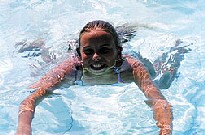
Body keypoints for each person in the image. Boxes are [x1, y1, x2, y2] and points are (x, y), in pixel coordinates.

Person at [16, 20, 173, 135]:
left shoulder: (131, 69)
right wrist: (24, 129)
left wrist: (165, 129)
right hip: (69, 57)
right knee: (42, 70)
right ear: (79, 54)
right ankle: (41, 46)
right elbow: (31, 99)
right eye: (88, 52)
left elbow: (158, 102)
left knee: (161, 79)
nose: (96, 57)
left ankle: (174, 51)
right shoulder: (71, 69)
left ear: (119, 52)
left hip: (125, 57)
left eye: (104, 50)